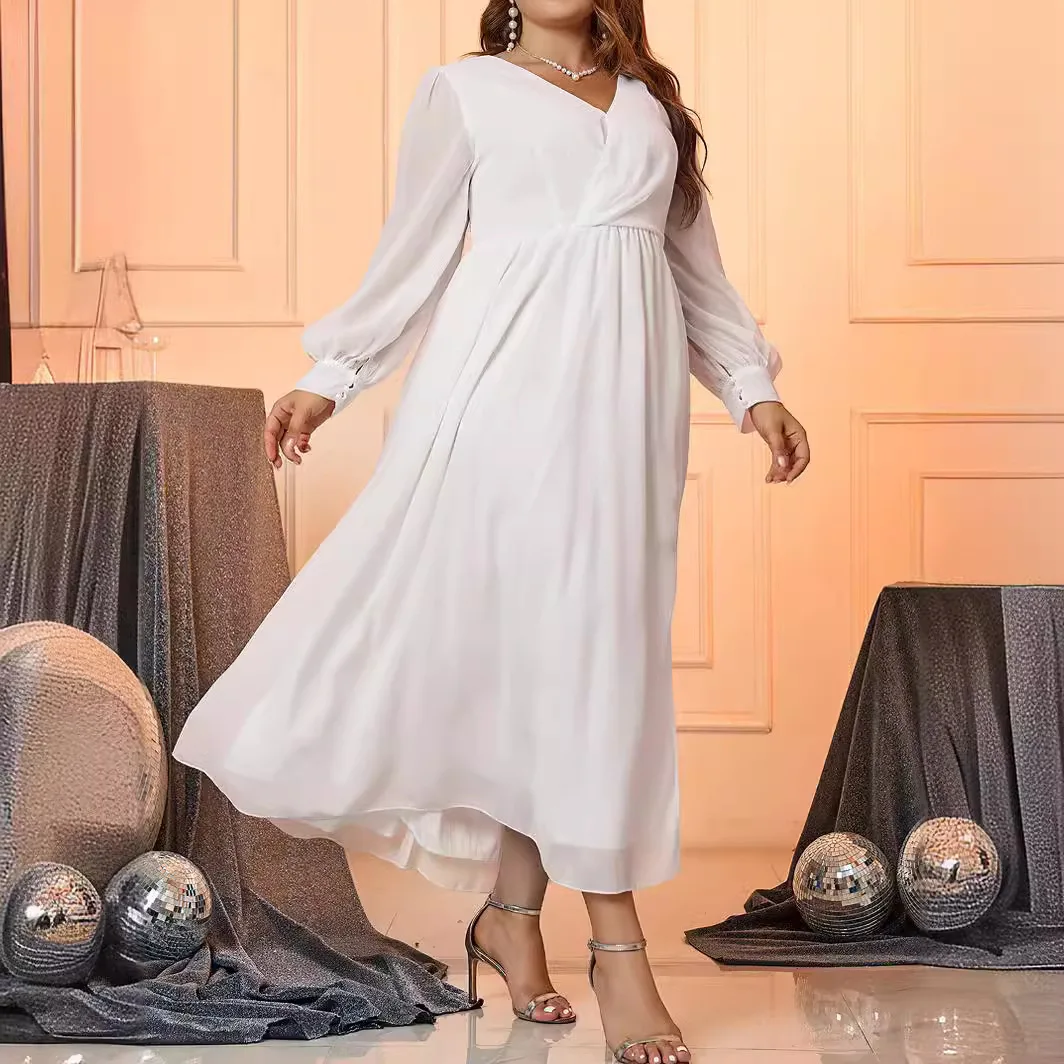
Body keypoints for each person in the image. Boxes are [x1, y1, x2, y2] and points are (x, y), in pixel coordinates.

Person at [174, 1, 810, 1061]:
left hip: (628, 410)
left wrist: (753, 391)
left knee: (580, 649)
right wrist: (332, 377)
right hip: (499, 396)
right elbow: (413, 254)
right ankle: (618, 946)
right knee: (561, 646)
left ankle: (511, 915)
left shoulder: (650, 105)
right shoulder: (462, 91)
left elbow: (694, 272)